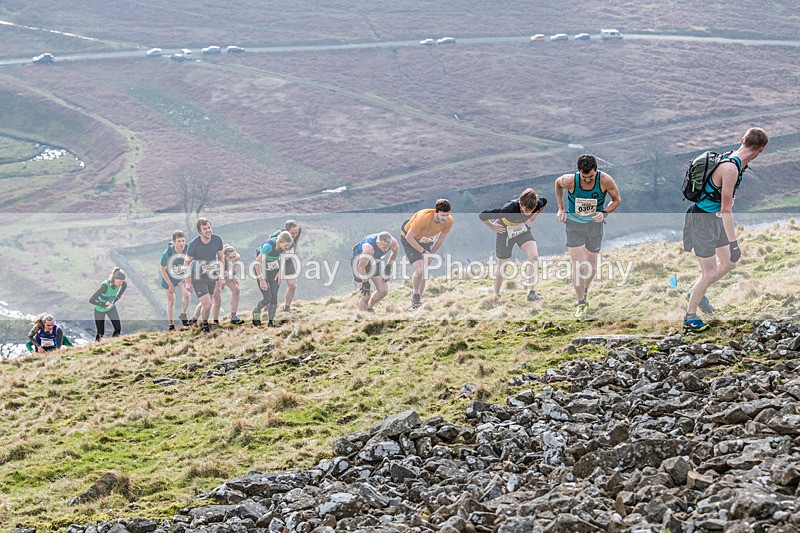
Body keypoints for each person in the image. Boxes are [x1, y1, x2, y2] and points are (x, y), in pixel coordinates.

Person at [682, 127, 768, 332]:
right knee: (710, 272)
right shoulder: (731, 168)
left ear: (742, 139)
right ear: (761, 150)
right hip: (702, 220)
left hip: (714, 218)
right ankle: (690, 316)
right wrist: (734, 242)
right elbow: (726, 209)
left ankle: (696, 292)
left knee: (728, 263)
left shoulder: (734, 159)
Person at [555, 154, 622, 319]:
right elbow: (557, 183)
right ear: (578, 172)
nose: (587, 180)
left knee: (591, 267)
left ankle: (584, 290)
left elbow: (616, 200)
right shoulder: (570, 180)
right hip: (574, 225)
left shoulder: (605, 180)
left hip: (594, 225)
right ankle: (581, 302)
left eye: (590, 177)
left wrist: (604, 212)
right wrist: (560, 208)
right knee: (579, 266)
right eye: (584, 177)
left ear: (596, 170)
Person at [479, 188, 547, 300]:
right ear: (520, 203)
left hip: (522, 230)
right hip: (505, 233)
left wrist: (532, 218)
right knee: (503, 264)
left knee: (533, 256)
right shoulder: (508, 209)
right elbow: (483, 215)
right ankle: (496, 295)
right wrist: (492, 226)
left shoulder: (537, 203)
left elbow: (544, 202)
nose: (528, 213)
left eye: (531, 210)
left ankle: (531, 293)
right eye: (525, 210)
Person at [401, 199, 453, 308]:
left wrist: (431, 254)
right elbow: (409, 237)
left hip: (425, 239)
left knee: (424, 271)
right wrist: (424, 252)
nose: (445, 218)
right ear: (436, 212)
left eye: (447, 215)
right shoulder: (423, 217)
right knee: (419, 270)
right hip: (410, 239)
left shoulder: (449, 221)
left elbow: (440, 240)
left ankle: (418, 299)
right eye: (442, 215)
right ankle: (415, 294)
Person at [183, 217, 225, 333]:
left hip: (212, 275)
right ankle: (205, 324)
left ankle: (193, 319)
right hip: (198, 277)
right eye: (205, 229)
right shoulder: (194, 244)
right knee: (207, 304)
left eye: (209, 227)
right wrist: (187, 282)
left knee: (207, 302)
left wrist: (221, 276)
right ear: (200, 232)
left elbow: (221, 258)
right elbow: (186, 263)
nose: (208, 230)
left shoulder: (217, 240)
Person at [253, 231, 294, 327]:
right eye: (286, 245)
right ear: (280, 241)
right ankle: (256, 311)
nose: (287, 247)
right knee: (268, 297)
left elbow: (283, 255)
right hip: (262, 271)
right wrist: (261, 280)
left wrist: (280, 271)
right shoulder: (268, 246)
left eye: (289, 246)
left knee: (274, 296)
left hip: (274, 270)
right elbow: (257, 263)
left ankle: (271, 322)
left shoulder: (287, 245)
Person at [351, 231, 399, 312]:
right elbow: (361, 267)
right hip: (359, 263)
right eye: (384, 247)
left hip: (374, 261)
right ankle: (361, 315)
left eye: (388, 247)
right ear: (377, 243)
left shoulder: (393, 242)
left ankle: (369, 308)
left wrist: (388, 267)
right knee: (366, 296)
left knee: (383, 290)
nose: (386, 249)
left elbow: (395, 251)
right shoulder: (369, 249)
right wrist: (365, 283)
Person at [160, 230, 191, 331]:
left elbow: (190, 264)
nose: (181, 243)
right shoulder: (167, 253)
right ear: (174, 242)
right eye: (179, 241)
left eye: (183, 241)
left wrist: (187, 278)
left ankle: (183, 315)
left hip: (180, 276)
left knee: (187, 294)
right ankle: (171, 325)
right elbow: (162, 270)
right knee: (171, 301)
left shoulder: (187, 250)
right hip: (169, 277)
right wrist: (170, 285)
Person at [270, 220, 302, 312]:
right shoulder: (277, 236)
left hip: (287, 258)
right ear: (286, 231)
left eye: (296, 232)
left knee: (292, 285)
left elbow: (296, 241)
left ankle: (286, 307)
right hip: (275, 259)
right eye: (292, 233)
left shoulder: (298, 231)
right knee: (274, 284)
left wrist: (293, 252)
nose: (294, 235)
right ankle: (269, 305)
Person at [89, 268, 127, 341]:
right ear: (115, 279)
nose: (121, 284)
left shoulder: (121, 283)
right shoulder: (105, 286)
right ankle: (96, 346)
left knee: (118, 329)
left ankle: (112, 343)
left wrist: (117, 298)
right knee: (100, 333)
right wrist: (103, 304)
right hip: (99, 309)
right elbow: (91, 300)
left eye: (122, 282)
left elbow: (124, 285)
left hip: (111, 308)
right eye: (120, 282)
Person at [212, 244, 243, 324]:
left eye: (233, 257)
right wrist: (219, 286)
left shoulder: (237, 257)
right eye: (230, 257)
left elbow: (235, 265)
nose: (232, 259)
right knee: (216, 299)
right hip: (215, 276)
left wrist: (233, 275)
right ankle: (215, 320)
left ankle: (233, 316)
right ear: (224, 257)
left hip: (225, 274)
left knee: (236, 290)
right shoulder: (219, 262)